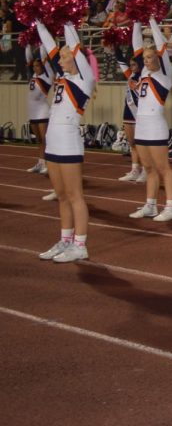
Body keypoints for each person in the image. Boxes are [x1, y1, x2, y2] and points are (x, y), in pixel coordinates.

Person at [34, 19, 95, 264]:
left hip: (69, 142)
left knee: (75, 195)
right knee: (61, 195)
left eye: (64, 57)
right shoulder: (63, 78)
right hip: (53, 143)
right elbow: (50, 46)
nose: (58, 61)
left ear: (75, 59)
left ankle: (80, 245)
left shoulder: (84, 80)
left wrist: (68, 21)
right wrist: (38, 22)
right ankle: (65, 239)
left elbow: (74, 45)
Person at [127, 18, 172, 222]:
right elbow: (136, 45)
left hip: (156, 126)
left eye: (150, 57)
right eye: (145, 58)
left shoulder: (166, 74)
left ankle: (171, 207)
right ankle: (150, 205)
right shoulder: (145, 72)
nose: (146, 60)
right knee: (148, 169)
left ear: (158, 58)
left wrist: (152, 20)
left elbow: (161, 45)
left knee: (163, 168)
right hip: (141, 126)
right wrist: (137, 22)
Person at [115, 48, 145, 183]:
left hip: (140, 113)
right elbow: (120, 59)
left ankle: (145, 170)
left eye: (134, 64)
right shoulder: (130, 75)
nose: (131, 67)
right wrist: (115, 43)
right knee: (132, 143)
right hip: (128, 112)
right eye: (131, 65)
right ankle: (135, 169)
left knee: (142, 143)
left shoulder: (144, 76)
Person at [23, 43, 53, 177]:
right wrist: (27, 44)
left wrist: (42, 43)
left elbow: (44, 58)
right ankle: (41, 163)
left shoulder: (47, 77)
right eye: (34, 66)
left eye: (38, 65)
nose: (35, 67)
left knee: (45, 139)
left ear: (42, 66)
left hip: (42, 111)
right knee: (39, 140)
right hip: (32, 112)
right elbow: (28, 58)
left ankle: (49, 164)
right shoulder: (32, 76)